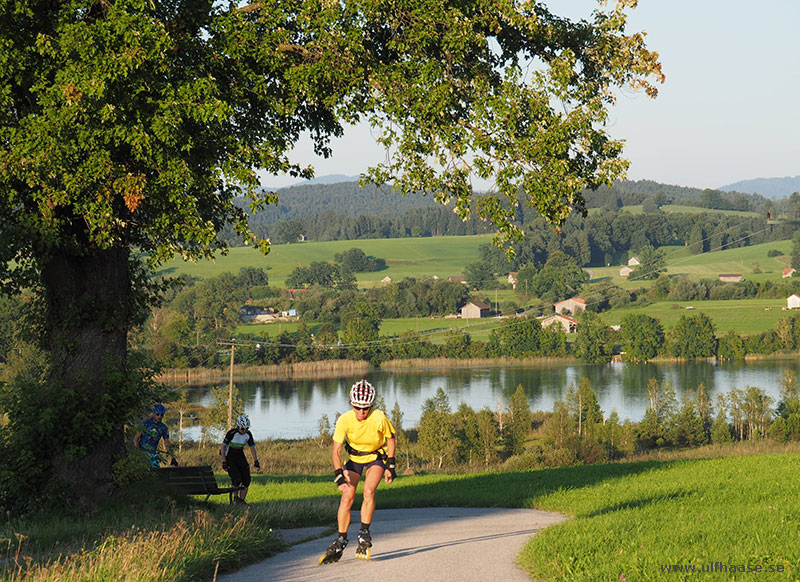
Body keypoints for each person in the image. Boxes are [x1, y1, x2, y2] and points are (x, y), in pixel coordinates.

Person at [319, 380, 397, 564]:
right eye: (358, 408)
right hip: (354, 459)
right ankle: (341, 539)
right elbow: (336, 450)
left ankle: (363, 533)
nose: (362, 412)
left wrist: (390, 465)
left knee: (369, 491)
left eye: (366, 408)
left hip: (376, 457)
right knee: (347, 495)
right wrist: (338, 474)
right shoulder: (344, 420)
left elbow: (391, 439)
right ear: (351, 404)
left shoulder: (378, 417)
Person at [221, 413, 261, 505]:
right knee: (237, 479)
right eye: (243, 429)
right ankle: (235, 499)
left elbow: (252, 448)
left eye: (247, 429)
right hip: (230, 456)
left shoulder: (248, 434)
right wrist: (224, 462)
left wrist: (256, 461)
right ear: (238, 426)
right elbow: (223, 448)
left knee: (246, 480)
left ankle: (241, 501)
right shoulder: (232, 433)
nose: (244, 431)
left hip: (240, 455)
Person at [133, 403, 178, 468]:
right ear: (153, 414)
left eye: (162, 415)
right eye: (157, 414)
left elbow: (167, 443)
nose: (159, 416)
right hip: (143, 452)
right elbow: (136, 439)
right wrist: (138, 453)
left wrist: (172, 457)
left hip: (153, 454)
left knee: (156, 472)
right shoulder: (145, 423)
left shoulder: (164, 427)